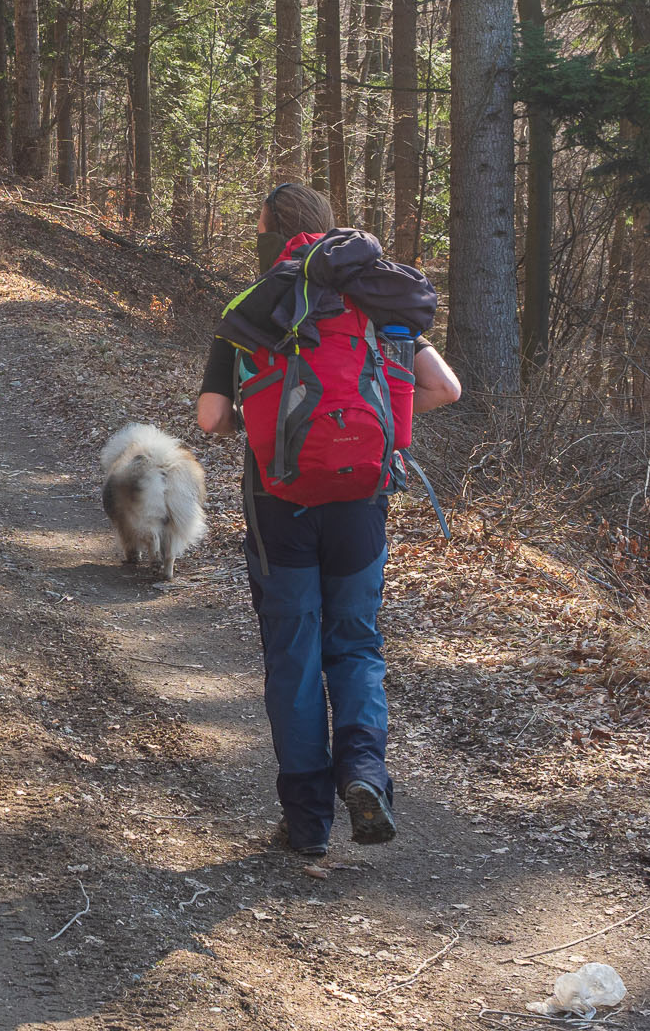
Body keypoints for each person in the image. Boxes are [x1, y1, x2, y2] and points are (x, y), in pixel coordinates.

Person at [195, 183, 461, 856]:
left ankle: (307, 822)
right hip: (362, 503)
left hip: (280, 504)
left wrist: (261, 425)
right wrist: (365, 429)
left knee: (294, 656)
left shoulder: (253, 305)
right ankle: (366, 773)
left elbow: (210, 418)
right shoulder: (378, 300)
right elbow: (445, 389)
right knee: (357, 645)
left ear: (273, 234)